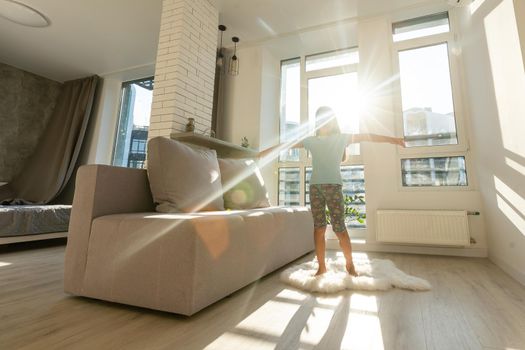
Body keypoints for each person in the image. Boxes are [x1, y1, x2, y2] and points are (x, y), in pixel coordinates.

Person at [259, 106, 404, 276]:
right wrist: (262, 153)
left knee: (339, 228)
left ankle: (350, 265)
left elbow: (368, 136)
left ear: (332, 121)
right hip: (315, 188)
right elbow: (285, 145)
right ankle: (321, 266)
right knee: (319, 229)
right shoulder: (310, 141)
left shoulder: (341, 138)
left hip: (333, 187)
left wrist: (394, 140)